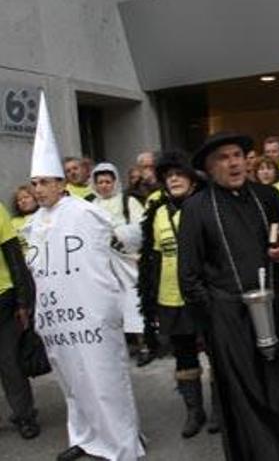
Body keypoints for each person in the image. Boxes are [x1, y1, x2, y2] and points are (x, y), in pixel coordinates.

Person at [177, 132, 279, 461]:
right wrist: (216, 321)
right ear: (207, 168)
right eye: (223, 158)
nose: (233, 163)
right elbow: (189, 276)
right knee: (249, 393)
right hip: (230, 318)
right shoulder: (196, 208)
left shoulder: (267, 195)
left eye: (237, 155)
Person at [26, 96, 143, 461]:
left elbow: (124, 239)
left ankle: (121, 442)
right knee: (73, 383)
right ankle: (86, 436)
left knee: (104, 380)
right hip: (59, 320)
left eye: (45, 182)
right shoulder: (32, 224)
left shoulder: (85, 211)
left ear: (62, 184)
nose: (38, 189)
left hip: (91, 314)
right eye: (34, 183)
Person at [139, 150, 219, 438]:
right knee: (184, 355)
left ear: (192, 178)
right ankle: (194, 410)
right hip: (171, 296)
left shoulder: (206, 205)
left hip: (204, 292)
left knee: (216, 348)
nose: (173, 179)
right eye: (167, 175)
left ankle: (221, 408)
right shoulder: (157, 213)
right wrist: (152, 300)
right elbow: (156, 258)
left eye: (178, 174)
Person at [89, 163, 148, 361]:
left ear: (115, 182)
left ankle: (144, 344)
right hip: (102, 264)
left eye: (107, 181)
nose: (104, 186)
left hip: (126, 260)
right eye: (100, 182)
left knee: (133, 301)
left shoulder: (127, 200)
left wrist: (120, 235)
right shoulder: (90, 205)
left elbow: (142, 226)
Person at [0, 203, 40, 440]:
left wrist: (23, 300)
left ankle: (25, 416)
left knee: (9, 363)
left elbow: (14, 255)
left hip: (3, 297)